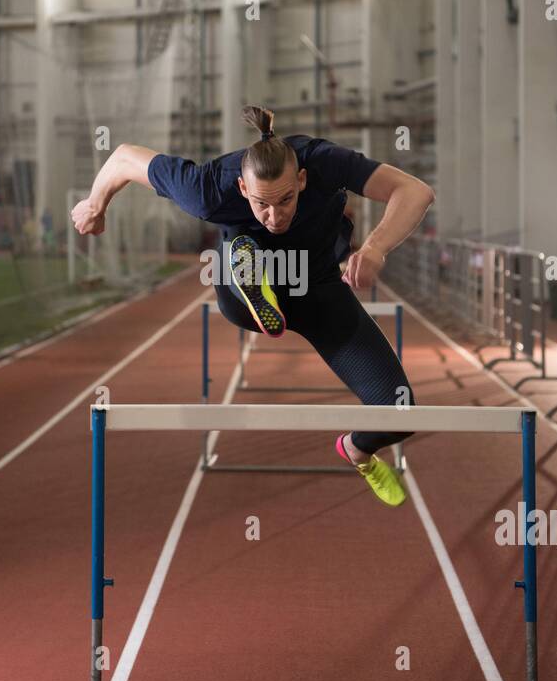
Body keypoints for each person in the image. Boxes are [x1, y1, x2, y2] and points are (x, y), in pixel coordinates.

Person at [71, 105, 434, 506]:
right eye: (261, 204)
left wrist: (376, 247)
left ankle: (357, 450)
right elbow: (122, 158)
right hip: (243, 286)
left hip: (319, 289)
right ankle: (254, 279)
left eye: (286, 200)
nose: (274, 215)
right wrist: (94, 203)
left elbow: (415, 191)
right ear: (243, 189)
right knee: (243, 256)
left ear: (301, 179)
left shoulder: (325, 162)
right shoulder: (207, 190)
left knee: (398, 410)